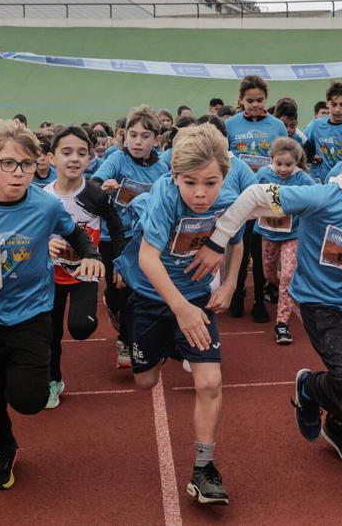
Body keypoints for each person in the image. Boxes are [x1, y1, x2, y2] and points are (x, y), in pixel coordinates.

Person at [189, 120, 342, 467]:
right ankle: (307, 388)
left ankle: (339, 428)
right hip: (319, 303)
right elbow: (255, 196)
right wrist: (218, 242)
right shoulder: (322, 196)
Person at [0, 120, 103, 490]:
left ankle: (7, 393)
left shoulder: (45, 205)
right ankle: (4, 446)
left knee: (30, 400)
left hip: (32, 313)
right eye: (8, 164)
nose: (18, 173)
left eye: (27, 164)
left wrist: (91, 254)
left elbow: (74, 231)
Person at [114, 124, 244, 505]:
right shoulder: (164, 197)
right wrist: (180, 310)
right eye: (190, 183)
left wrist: (230, 284)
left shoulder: (229, 198)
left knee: (209, 382)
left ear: (224, 175)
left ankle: (204, 468)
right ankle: (164, 347)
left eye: (211, 182)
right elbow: (148, 258)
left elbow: (236, 241)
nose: (201, 193)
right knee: (144, 381)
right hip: (152, 298)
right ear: (175, 177)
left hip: (196, 298)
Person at [44, 126, 124, 409]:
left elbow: (115, 226)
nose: (74, 159)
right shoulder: (40, 197)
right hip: (48, 277)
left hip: (84, 273)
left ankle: (105, 307)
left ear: (90, 158)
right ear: (51, 158)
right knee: (49, 334)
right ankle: (53, 380)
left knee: (79, 329)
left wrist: (119, 263)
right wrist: (45, 245)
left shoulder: (95, 195)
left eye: (81, 153)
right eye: (66, 152)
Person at [94, 106, 166, 368]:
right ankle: (113, 306)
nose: (137, 141)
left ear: (156, 140)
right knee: (117, 290)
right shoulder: (116, 159)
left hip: (143, 239)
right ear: (124, 137)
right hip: (111, 236)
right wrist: (103, 186)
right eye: (132, 135)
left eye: (145, 136)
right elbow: (94, 183)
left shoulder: (162, 168)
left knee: (136, 289)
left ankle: (126, 340)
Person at [224, 74, 288, 322]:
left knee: (261, 252)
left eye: (259, 100)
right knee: (238, 247)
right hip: (238, 198)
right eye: (249, 100)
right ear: (241, 99)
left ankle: (260, 300)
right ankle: (237, 292)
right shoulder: (230, 125)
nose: (255, 104)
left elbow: (286, 159)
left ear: (266, 99)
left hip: (266, 198)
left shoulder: (277, 126)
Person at [253, 138, 315, 345]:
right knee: (269, 272)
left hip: (293, 234)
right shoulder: (262, 175)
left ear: (296, 162)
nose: (283, 169)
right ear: (271, 160)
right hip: (268, 232)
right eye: (279, 164)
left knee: (288, 274)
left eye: (289, 164)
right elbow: (249, 196)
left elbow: (317, 198)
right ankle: (277, 288)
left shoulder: (304, 179)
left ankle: (282, 324)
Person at [304, 81, 342, 184]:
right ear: (327, 103)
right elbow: (305, 150)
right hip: (318, 182)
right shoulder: (317, 125)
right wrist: (311, 157)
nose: (337, 109)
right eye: (334, 104)